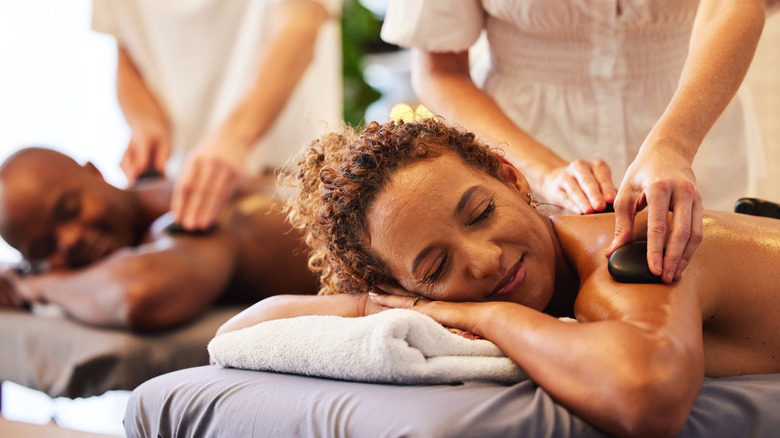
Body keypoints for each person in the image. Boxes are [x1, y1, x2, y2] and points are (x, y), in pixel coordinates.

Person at [215, 119, 780, 438]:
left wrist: (479, 313)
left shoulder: (628, 252)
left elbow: (646, 397)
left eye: (481, 213)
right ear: (406, 288)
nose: (483, 260)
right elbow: (242, 329)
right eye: (436, 267)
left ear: (511, 179)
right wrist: (382, 307)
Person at [379, 0, 771, 286]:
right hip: (525, 140)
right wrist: (543, 171)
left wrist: (675, 142)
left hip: (694, 119)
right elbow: (439, 71)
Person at [91, 0, 342, 232]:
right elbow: (126, 51)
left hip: (294, 175)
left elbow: (302, 22)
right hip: (188, 181)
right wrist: (147, 122)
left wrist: (235, 137)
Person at [0, 147, 316, 329]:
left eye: (69, 210)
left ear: (95, 173)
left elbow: (138, 295)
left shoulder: (189, 212)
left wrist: (37, 287)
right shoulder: (155, 198)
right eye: (43, 248)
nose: (69, 241)